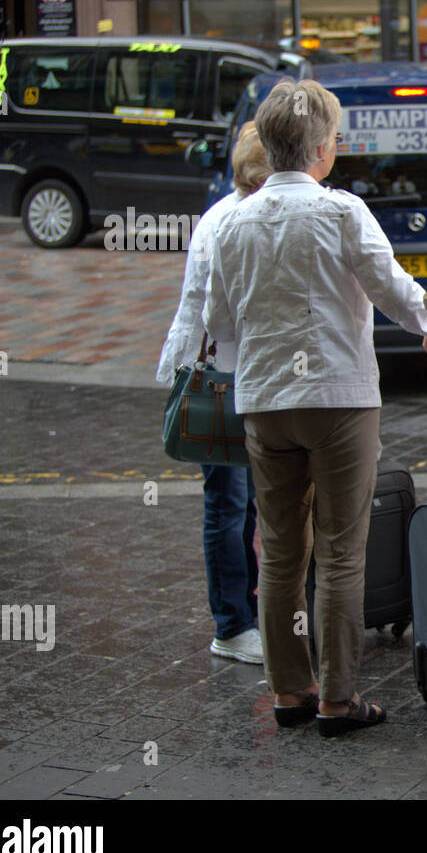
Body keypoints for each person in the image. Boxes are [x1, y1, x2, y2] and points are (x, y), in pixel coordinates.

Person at [203, 79, 427, 736]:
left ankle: (289, 691)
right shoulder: (343, 212)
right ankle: (339, 699)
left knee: (281, 551)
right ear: (318, 147)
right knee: (341, 551)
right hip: (339, 398)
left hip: (264, 401)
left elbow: (219, 321)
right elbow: (391, 288)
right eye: (334, 135)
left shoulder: (231, 221)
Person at [156, 122, 272, 666]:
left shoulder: (225, 211)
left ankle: (243, 616)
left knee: (238, 503)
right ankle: (231, 624)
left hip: (229, 376)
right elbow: (216, 315)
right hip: (223, 380)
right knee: (228, 504)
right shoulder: (233, 219)